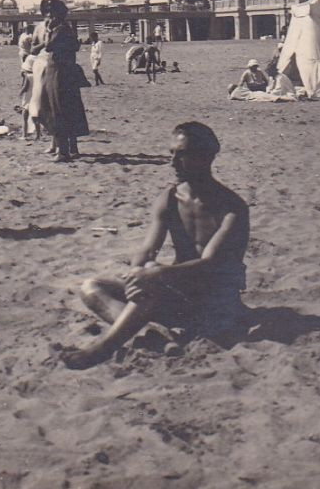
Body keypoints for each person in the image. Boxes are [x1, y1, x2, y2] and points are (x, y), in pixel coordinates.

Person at [61, 122, 249, 368]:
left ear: (206, 156)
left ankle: (102, 348)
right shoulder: (170, 198)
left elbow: (210, 264)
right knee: (91, 287)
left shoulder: (231, 207)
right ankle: (152, 337)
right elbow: (148, 249)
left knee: (151, 278)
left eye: (182, 155)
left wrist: (154, 274)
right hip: (177, 292)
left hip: (214, 300)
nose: (173, 162)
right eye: (172, 153)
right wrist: (135, 276)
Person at [36, 0, 90, 162]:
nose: (48, 17)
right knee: (68, 109)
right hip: (64, 72)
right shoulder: (66, 28)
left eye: (50, 13)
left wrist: (48, 31)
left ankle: (63, 151)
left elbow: (48, 45)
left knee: (57, 109)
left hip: (59, 72)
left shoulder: (59, 29)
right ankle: (71, 148)